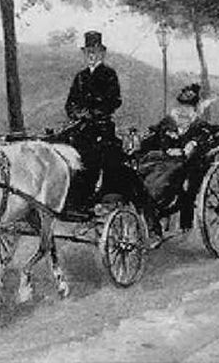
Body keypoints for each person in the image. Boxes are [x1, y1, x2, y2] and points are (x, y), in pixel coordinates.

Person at [64, 30, 162, 243]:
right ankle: (79, 204)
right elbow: (70, 104)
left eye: (95, 51)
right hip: (81, 133)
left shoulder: (108, 74)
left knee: (117, 169)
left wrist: (94, 113)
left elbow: (114, 101)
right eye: (88, 51)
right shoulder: (80, 77)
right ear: (84, 53)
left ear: (102, 53)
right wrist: (77, 114)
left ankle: (150, 223)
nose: (91, 55)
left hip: (102, 131)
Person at [138, 83, 219, 231]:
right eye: (182, 106)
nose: (184, 110)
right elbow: (154, 134)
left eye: (188, 107)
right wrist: (141, 143)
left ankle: (182, 224)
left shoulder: (199, 125)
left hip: (189, 164)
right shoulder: (169, 121)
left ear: (194, 108)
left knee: (172, 183)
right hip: (164, 159)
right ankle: (150, 213)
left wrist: (193, 144)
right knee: (143, 173)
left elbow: (205, 137)